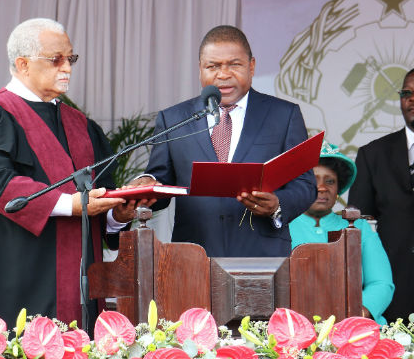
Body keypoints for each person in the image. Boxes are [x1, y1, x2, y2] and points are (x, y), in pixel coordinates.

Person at [0, 18, 142, 336]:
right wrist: (71, 205)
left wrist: (117, 214)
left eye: (70, 58)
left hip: (75, 282)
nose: (67, 68)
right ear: (23, 64)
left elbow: (102, 194)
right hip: (9, 274)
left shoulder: (81, 126)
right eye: (55, 59)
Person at [134, 25, 316, 257]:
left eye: (234, 64)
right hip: (192, 258)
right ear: (200, 70)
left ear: (251, 66)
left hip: (263, 257)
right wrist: (147, 183)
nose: (223, 74)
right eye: (213, 66)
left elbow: (305, 184)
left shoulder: (284, 115)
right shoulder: (174, 118)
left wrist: (277, 205)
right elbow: (161, 181)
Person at [348, 66, 414, 322]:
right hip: (390, 278)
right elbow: (359, 224)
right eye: (406, 93)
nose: (413, 98)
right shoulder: (373, 153)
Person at [289, 141, 394, 325]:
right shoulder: (282, 226)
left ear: (338, 190)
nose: (322, 187)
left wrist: (355, 317)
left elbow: (381, 283)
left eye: (330, 181)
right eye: (313, 180)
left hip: (355, 328)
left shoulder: (358, 226)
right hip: (296, 330)